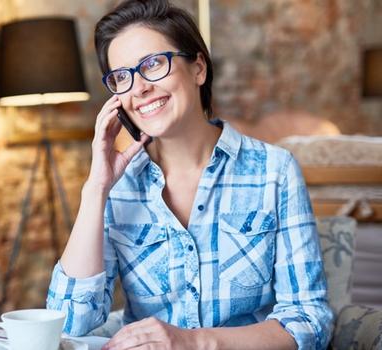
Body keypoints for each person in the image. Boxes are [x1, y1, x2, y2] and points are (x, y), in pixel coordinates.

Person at [46, 0, 333, 349]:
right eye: (122, 77)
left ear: (198, 68)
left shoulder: (274, 171)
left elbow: (308, 320)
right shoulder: (117, 186)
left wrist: (193, 342)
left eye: (153, 64)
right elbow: (68, 322)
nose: (139, 89)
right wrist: (96, 190)